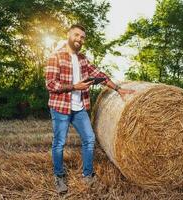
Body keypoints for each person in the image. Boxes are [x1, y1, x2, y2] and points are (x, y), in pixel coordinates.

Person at [45, 24, 135, 193]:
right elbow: (50, 84)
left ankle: (87, 175)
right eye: (76, 35)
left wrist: (118, 89)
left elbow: (101, 76)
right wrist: (74, 86)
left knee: (89, 139)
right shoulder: (56, 56)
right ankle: (59, 176)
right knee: (59, 143)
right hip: (60, 107)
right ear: (68, 35)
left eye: (82, 37)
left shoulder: (83, 59)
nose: (79, 39)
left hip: (79, 108)